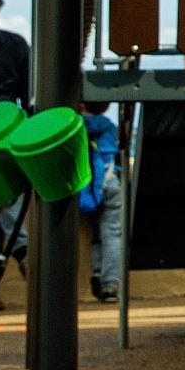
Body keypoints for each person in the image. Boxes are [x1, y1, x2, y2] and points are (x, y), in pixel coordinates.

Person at [81, 101, 123, 302]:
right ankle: (110, 283)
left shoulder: (77, 125)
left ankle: (98, 272)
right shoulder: (109, 126)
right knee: (112, 233)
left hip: (88, 187)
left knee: (96, 234)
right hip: (110, 182)